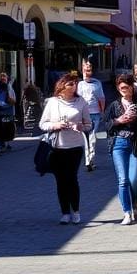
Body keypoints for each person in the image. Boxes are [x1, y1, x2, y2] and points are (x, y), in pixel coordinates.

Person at [39, 73, 92, 224]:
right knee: (61, 181)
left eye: (75, 83)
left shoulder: (80, 101)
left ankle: (75, 210)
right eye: (70, 84)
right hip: (57, 147)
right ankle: (65, 213)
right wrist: (55, 126)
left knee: (72, 179)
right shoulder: (53, 102)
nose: (73, 86)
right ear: (62, 86)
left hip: (75, 147)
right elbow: (42, 124)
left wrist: (81, 126)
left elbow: (89, 124)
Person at [103, 73, 137, 225]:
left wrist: (135, 118)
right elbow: (106, 125)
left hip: (135, 143)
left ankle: (135, 204)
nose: (124, 90)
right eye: (121, 88)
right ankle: (126, 212)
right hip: (118, 143)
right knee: (123, 180)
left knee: (134, 179)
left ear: (132, 87)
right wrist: (118, 120)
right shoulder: (114, 105)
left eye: (126, 87)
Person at [77, 60, 105, 171]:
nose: (86, 72)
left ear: (91, 71)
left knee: (92, 138)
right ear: (82, 70)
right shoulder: (80, 84)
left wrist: (102, 111)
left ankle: (91, 160)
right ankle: (88, 160)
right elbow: (77, 100)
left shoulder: (97, 83)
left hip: (95, 114)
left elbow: (101, 98)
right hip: (83, 115)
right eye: (85, 69)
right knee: (85, 139)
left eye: (89, 69)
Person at [0, 71, 17, 150]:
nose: (3, 78)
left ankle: (6, 143)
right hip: (2, 112)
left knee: (7, 128)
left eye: (4, 77)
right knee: (3, 128)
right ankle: (4, 143)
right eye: (1, 77)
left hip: (7, 112)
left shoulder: (9, 88)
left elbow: (13, 100)